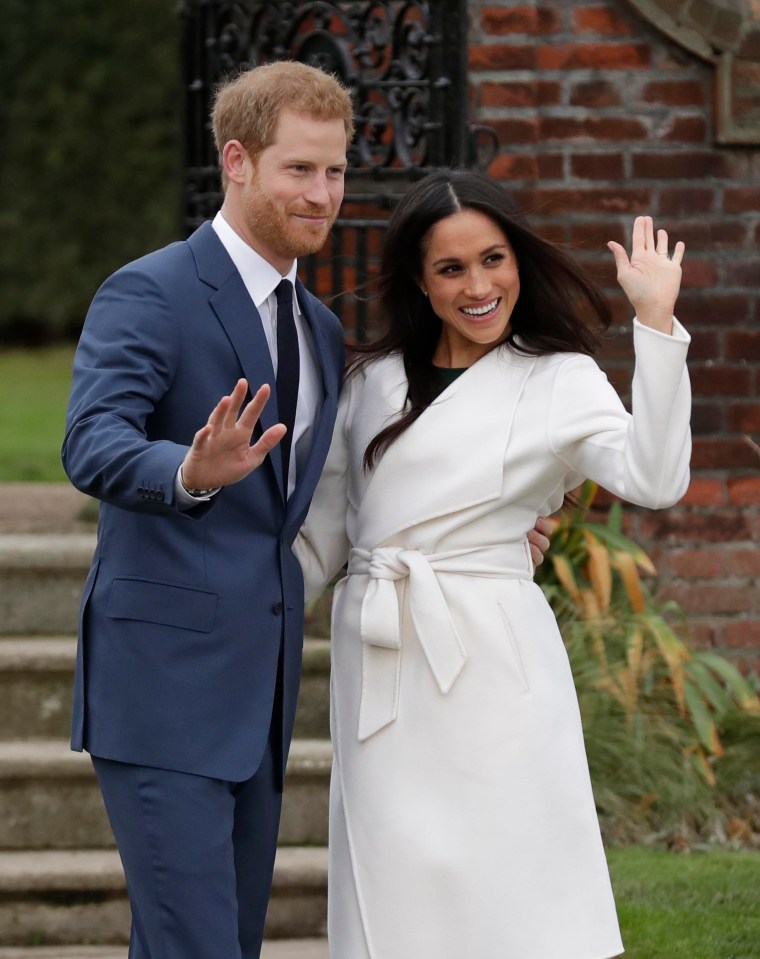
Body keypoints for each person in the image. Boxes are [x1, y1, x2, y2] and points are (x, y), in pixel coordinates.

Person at [295, 170, 691, 959]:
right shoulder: (368, 383)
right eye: (451, 268)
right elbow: (322, 544)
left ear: (519, 262)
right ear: (420, 278)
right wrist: (226, 604)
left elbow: (655, 478)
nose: (478, 286)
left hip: (496, 663)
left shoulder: (558, 379)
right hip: (383, 663)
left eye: (494, 260)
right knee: (398, 885)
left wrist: (656, 320)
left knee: (512, 878)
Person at [61, 61, 353, 959]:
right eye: (299, 169)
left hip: (256, 702)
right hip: (160, 692)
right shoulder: (151, 289)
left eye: (336, 171)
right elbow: (91, 440)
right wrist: (189, 471)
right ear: (237, 161)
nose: (323, 193)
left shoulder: (321, 327)